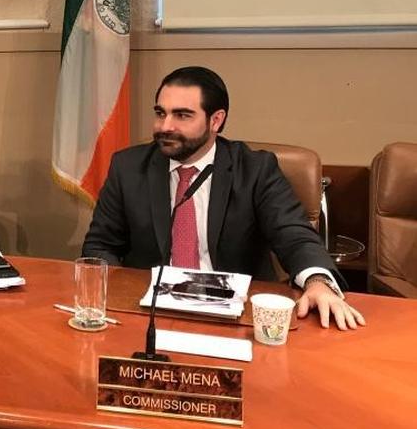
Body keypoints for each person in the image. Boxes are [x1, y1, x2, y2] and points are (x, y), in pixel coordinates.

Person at [82, 66, 365, 330]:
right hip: (149, 312)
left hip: (233, 317)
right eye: (160, 113)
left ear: (216, 120)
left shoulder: (255, 169)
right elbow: (100, 245)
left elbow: (293, 233)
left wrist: (317, 282)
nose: (165, 126)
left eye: (182, 115)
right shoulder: (128, 167)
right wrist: (119, 298)